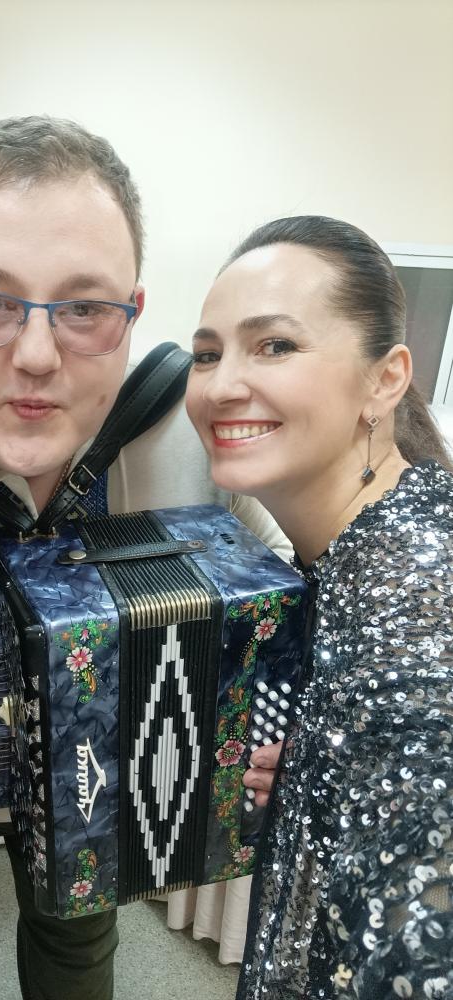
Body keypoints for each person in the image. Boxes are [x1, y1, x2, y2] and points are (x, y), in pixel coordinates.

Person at [0, 115, 292, 1000]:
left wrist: (268, 709)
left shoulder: (192, 428)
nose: (37, 357)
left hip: (102, 783)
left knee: (78, 956)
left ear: (133, 316)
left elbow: (282, 574)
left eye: (85, 309)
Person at [185, 215, 453, 999]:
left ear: (386, 380)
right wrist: (320, 777)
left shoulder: (410, 625)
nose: (222, 385)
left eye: (275, 345)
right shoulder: (380, 543)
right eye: (208, 353)